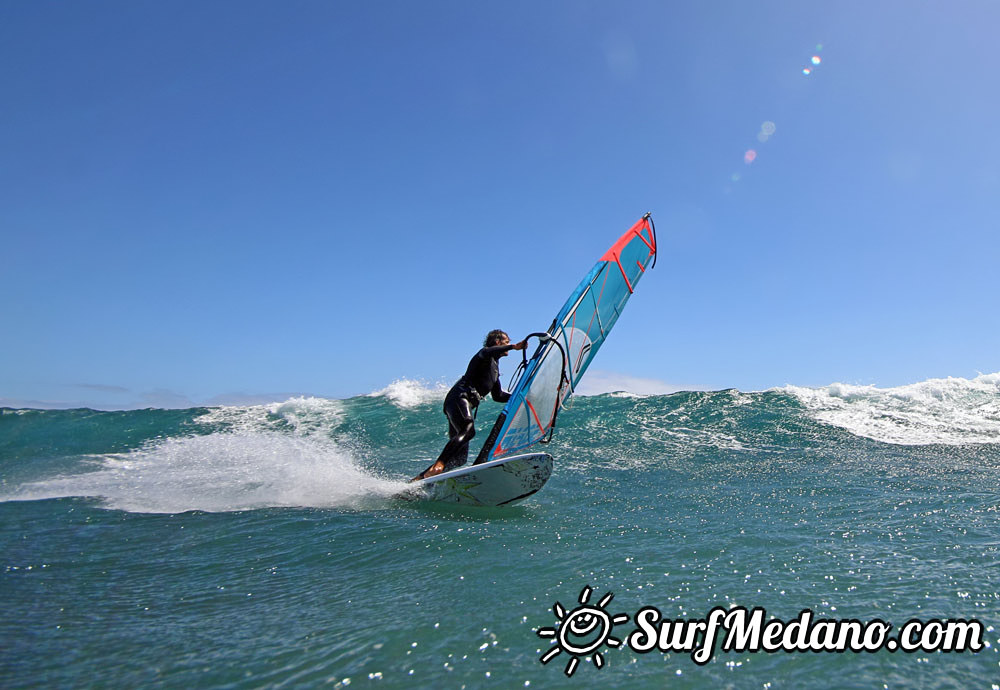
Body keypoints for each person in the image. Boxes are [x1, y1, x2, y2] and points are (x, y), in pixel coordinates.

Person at [412, 330, 527, 481]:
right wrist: (513, 347)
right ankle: (438, 465)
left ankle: (420, 479)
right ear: (498, 342)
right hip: (459, 397)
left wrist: (520, 397)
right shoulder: (485, 356)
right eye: (506, 342)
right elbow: (487, 351)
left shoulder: (494, 368)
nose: (508, 344)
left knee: (459, 458)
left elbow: (498, 396)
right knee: (468, 429)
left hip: (462, 403)